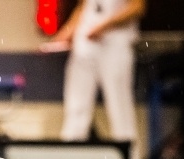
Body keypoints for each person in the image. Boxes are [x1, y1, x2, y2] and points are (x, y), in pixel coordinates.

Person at [52, 0, 145, 146]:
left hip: (115, 45)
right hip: (85, 45)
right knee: (76, 109)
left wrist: (105, 26)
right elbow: (84, 7)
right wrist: (66, 32)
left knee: (119, 109)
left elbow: (137, 7)